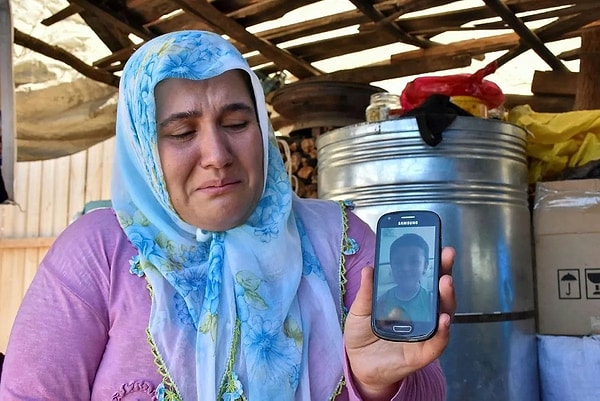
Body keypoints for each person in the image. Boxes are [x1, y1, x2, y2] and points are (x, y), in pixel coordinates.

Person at [0, 30, 456, 401]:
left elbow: (426, 388)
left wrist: (377, 385)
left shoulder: (341, 241)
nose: (217, 155)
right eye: (180, 132)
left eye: (237, 123)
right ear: (142, 147)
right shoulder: (98, 251)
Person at [376, 233, 434, 323]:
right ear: (391, 266)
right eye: (398, 262)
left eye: (414, 261)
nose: (405, 268)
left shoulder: (430, 300)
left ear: (425, 266)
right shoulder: (382, 301)